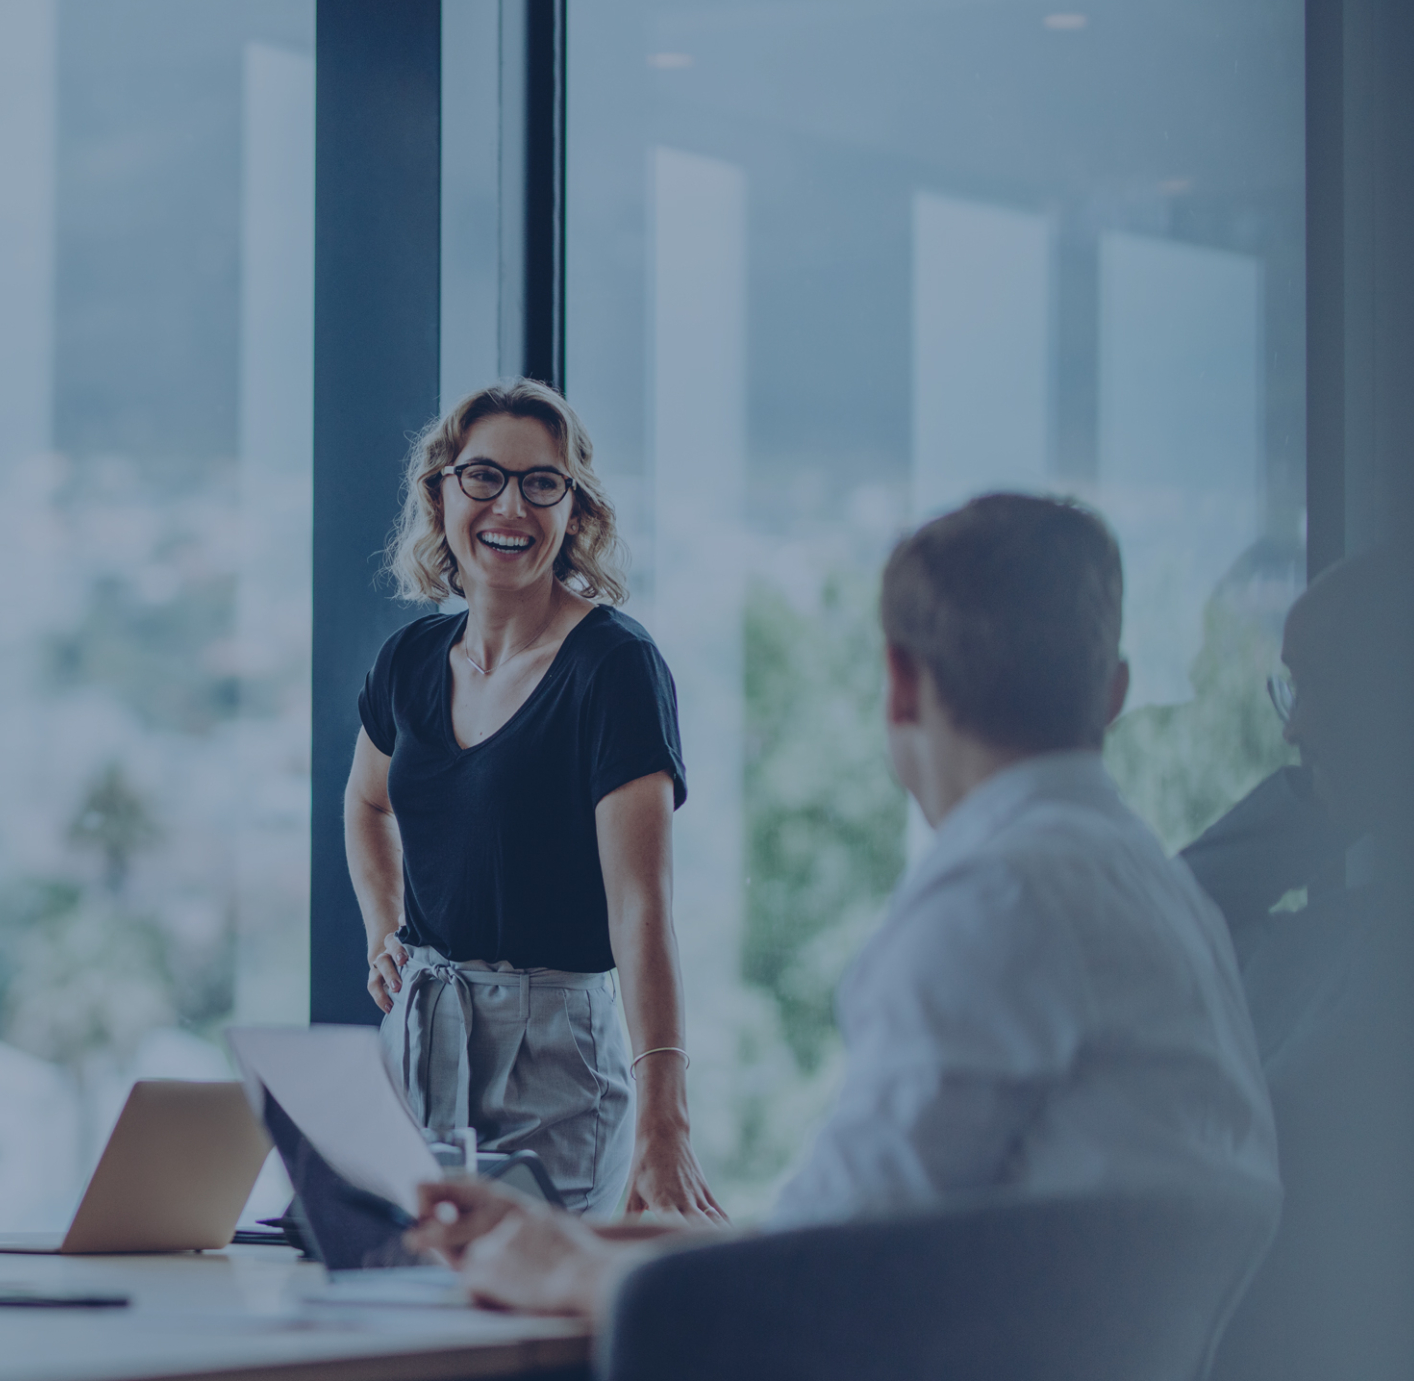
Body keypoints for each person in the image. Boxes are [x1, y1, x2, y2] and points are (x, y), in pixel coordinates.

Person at [406, 495, 1280, 1313]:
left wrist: (563, 1268)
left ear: (898, 683)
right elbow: (862, 1227)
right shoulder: (1159, 892)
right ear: (1114, 693)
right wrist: (588, 1238)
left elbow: (819, 1286)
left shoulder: (994, 902)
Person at [346, 379, 720, 1220]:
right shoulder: (408, 660)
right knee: (404, 1312)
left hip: (553, 1055)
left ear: (575, 509)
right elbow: (367, 805)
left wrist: (667, 1119)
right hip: (417, 1038)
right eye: (483, 476)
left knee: (532, 1330)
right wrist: (383, 930)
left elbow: (642, 909)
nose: (509, 505)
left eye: (540, 482)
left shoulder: (614, 667)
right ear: (441, 493)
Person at [1192, 538, 1414, 1381]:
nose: (1293, 726)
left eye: (1319, 686)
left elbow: (1272, 1125)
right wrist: (1321, 800)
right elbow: (1181, 919)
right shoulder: (1347, 924)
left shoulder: (1385, 957)